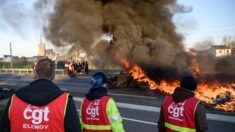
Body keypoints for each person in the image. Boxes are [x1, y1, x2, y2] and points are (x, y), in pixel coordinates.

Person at [0, 58, 81, 132]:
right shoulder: (65, 101)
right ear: (53, 76)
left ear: (35, 74)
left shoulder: (15, 99)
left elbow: (4, 128)